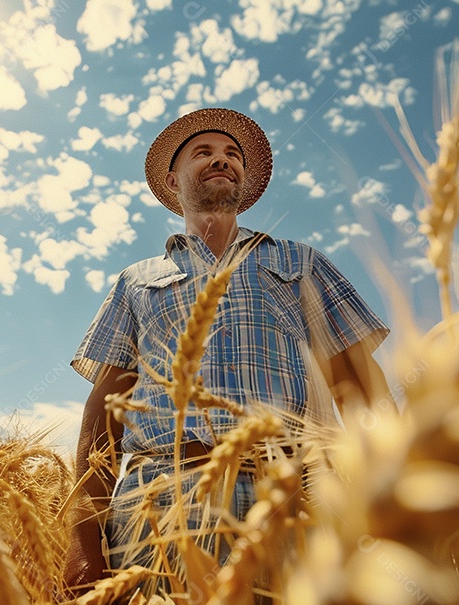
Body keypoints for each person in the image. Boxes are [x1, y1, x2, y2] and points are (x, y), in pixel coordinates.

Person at [64, 107, 391, 593]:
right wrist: (82, 537)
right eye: (204, 152)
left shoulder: (300, 262)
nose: (223, 159)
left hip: (295, 494)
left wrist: (393, 490)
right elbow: (105, 411)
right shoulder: (136, 281)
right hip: (158, 499)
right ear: (173, 181)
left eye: (232, 154)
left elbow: (358, 383)